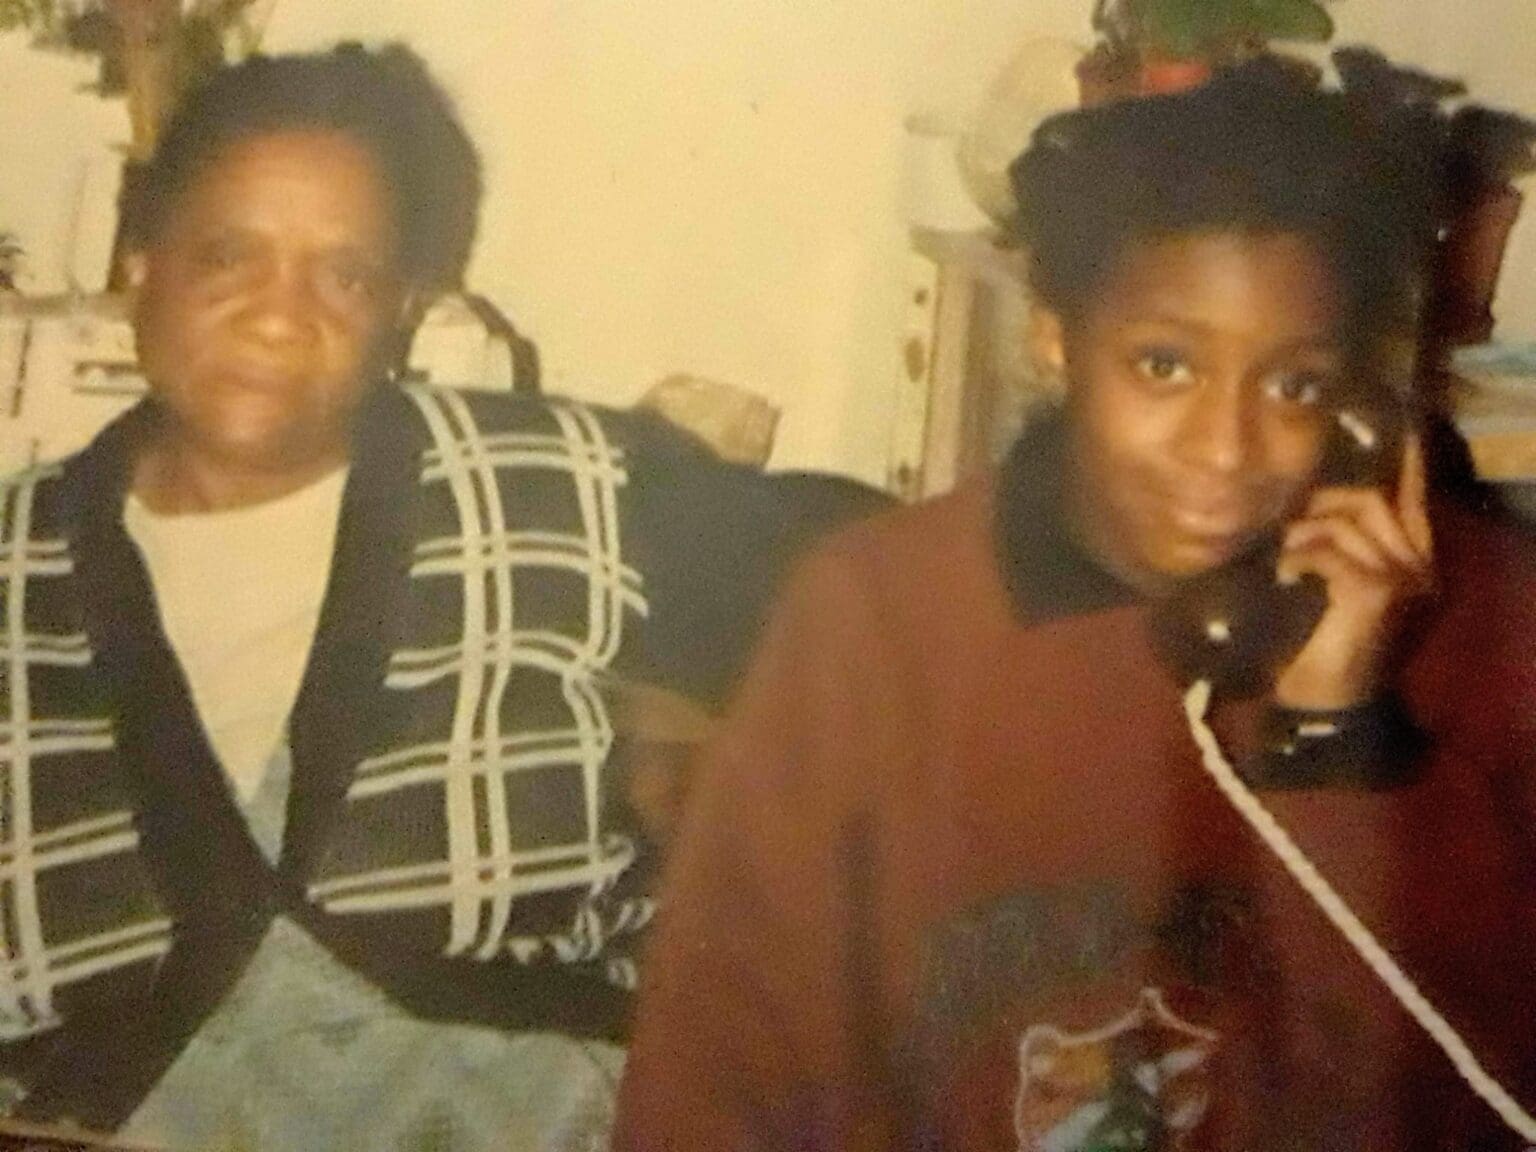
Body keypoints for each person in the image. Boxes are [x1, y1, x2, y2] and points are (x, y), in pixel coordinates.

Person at [615, 65, 1536, 1151]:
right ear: (1056, 340)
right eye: (1165, 366)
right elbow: (716, 1068)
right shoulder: (873, 620)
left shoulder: (1474, 618)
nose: (1225, 451)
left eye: (1294, 385)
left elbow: (1486, 1089)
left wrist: (1343, 735)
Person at [0, 43, 878, 1151]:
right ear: (142, 263)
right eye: (228, 256)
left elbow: (885, 591)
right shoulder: (18, 566)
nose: (280, 316)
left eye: (344, 275)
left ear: (402, 309)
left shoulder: (564, 486)